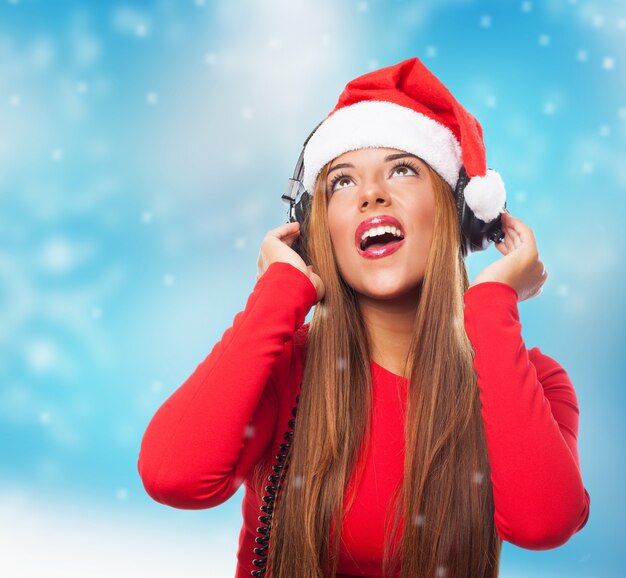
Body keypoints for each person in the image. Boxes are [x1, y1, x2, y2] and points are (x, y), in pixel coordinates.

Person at [137, 57, 590, 578]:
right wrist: (280, 291)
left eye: (402, 169)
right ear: (314, 229)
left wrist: (490, 306)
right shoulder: (284, 369)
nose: (372, 194)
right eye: (343, 183)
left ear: (456, 213)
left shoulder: (536, 382)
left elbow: (544, 524)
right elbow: (171, 476)